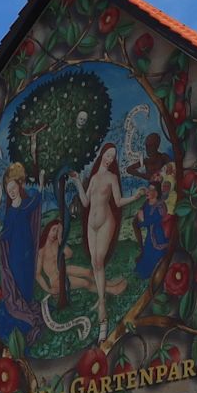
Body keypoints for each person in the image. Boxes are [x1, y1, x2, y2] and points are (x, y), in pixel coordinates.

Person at [0, 162, 44, 342]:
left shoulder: (26, 204)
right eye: (8, 189)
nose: (11, 191)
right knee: (18, 280)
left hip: (27, 251)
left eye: (13, 187)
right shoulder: (9, 212)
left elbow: (38, 200)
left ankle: (26, 302)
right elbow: (6, 233)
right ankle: (21, 308)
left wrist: (40, 182)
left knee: (27, 280)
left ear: (19, 186)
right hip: (15, 255)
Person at [77, 142, 125, 338]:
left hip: (106, 222)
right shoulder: (94, 178)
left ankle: (103, 307)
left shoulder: (112, 178)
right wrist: (77, 182)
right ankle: (100, 295)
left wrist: (136, 196)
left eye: (113, 156)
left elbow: (118, 201)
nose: (109, 158)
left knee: (98, 261)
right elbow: (85, 202)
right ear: (102, 153)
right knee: (93, 262)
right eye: (108, 154)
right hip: (91, 224)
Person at [133, 180, 171, 280]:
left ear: (157, 193)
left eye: (151, 190)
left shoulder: (160, 206)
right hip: (150, 236)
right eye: (148, 189)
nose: (147, 192)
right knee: (142, 266)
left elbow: (148, 222)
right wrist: (141, 217)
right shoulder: (147, 203)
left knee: (153, 265)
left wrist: (141, 219)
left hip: (158, 238)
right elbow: (141, 220)